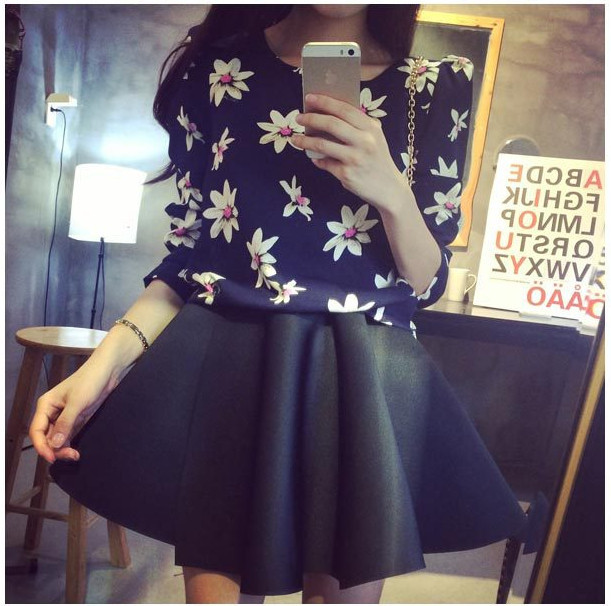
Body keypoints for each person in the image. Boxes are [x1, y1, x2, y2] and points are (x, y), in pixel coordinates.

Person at [29, 5, 527, 604]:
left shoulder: (436, 87)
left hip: (362, 379)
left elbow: (426, 281)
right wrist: (100, 368)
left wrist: (391, 191)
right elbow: (188, 260)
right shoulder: (216, 71)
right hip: (230, 366)